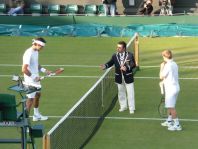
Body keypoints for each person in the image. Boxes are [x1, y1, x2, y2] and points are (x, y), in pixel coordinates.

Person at [100, 41, 136, 114]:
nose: (117, 48)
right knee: (121, 92)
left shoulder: (130, 55)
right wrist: (105, 66)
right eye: (117, 47)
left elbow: (133, 64)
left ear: (124, 48)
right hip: (119, 77)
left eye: (119, 47)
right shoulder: (115, 56)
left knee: (130, 93)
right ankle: (123, 106)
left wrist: (127, 67)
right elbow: (110, 63)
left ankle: (131, 108)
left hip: (128, 77)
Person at [22, 37, 50, 121]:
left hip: (36, 78)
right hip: (30, 80)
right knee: (30, 100)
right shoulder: (28, 53)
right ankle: (24, 122)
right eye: (41, 47)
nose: (42, 48)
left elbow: (36, 64)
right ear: (36, 44)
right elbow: (24, 69)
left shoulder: (36, 51)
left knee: (38, 95)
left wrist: (45, 70)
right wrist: (34, 77)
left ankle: (36, 115)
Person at [159, 50, 182, 131]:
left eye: (163, 56)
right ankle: (169, 121)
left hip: (171, 90)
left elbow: (161, 76)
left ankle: (177, 125)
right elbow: (171, 76)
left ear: (165, 57)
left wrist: (161, 67)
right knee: (169, 105)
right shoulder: (174, 63)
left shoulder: (167, 65)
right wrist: (164, 82)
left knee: (171, 107)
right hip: (175, 88)